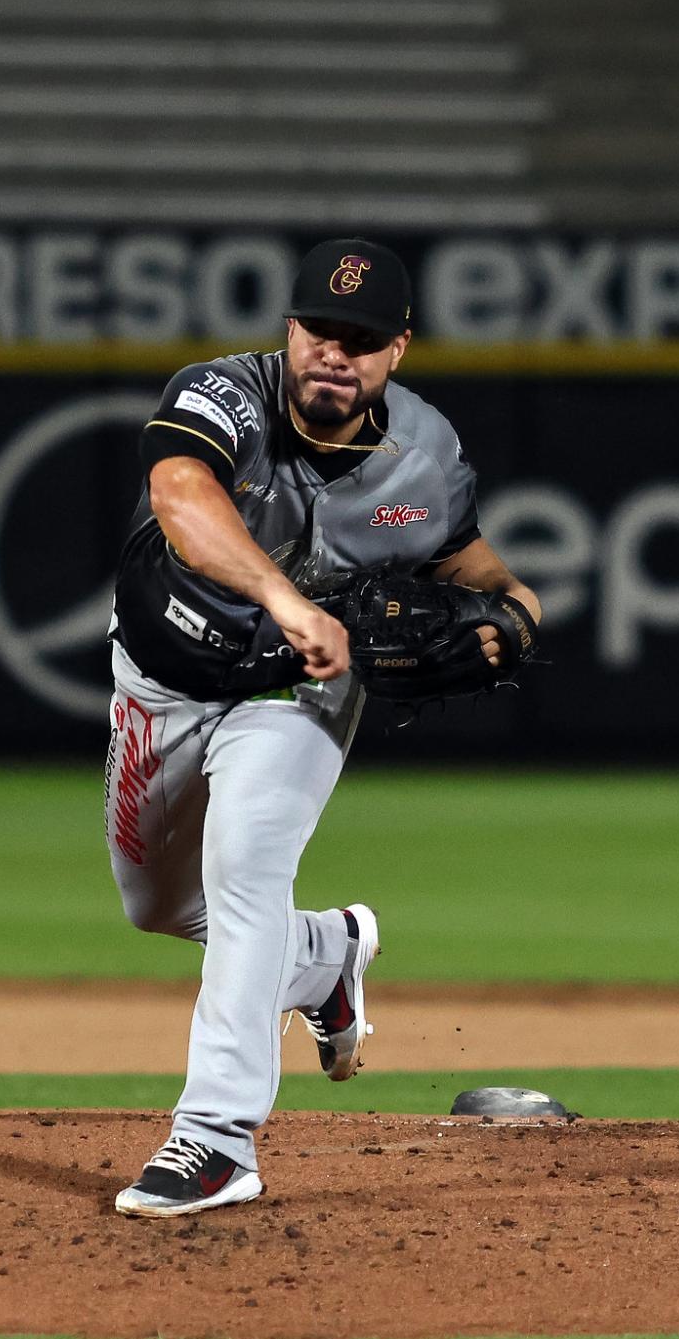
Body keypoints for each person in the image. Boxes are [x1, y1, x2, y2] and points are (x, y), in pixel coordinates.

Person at [102, 237, 542, 1218]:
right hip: (159, 676)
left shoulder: (422, 456)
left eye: (361, 338)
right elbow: (179, 495)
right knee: (159, 906)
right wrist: (280, 594)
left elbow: (479, 573)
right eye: (317, 330)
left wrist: (516, 613)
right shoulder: (223, 393)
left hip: (295, 690)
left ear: (398, 350)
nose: (333, 354)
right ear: (287, 331)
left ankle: (216, 1139)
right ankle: (325, 956)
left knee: (247, 864)